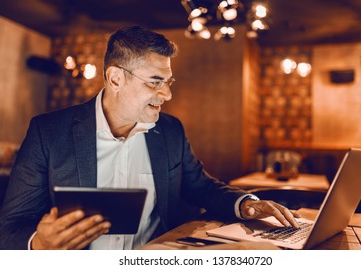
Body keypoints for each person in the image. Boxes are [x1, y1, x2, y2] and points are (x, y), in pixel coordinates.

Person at [0, 26, 298, 250]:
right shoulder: (48, 132)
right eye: (155, 82)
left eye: (168, 82)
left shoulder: (170, 131)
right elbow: (8, 229)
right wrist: (39, 243)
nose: (167, 94)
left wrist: (245, 204)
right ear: (116, 78)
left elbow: (203, 188)